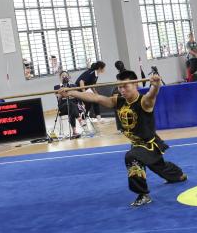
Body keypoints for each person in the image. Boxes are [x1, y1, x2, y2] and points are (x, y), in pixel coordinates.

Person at [60, 70, 185, 207]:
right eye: (120, 87)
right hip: (137, 145)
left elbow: (152, 95)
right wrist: (71, 92)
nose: (122, 90)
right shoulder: (118, 101)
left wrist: (156, 86)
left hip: (149, 145)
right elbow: (96, 98)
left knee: (132, 157)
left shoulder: (144, 102)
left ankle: (143, 195)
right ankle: (178, 175)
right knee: (158, 166)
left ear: (135, 84)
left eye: (125, 86)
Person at [53, 71, 81, 139]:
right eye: (63, 76)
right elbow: (58, 97)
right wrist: (64, 92)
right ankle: (79, 119)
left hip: (74, 107)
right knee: (70, 104)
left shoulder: (73, 86)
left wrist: (68, 92)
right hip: (63, 107)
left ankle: (74, 132)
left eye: (66, 76)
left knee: (71, 107)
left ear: (68, 77)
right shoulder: (57, 87)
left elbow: (77, 96)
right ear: (60, 78)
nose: (64, 77)